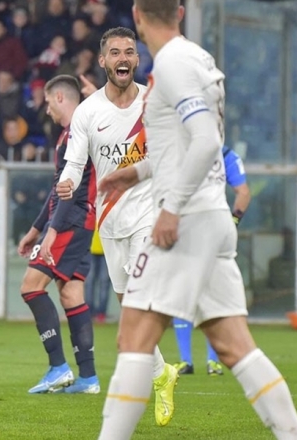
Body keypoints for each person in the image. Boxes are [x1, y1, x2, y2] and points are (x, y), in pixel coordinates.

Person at [94, 2, 297, 438]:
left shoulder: (172, 63)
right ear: (179, 11)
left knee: (133, 338)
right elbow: (185, 143)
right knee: (234, 345)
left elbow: (207, 141)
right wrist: (136, 173)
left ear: (137, 15)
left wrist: (171, 208)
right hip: (212, 217)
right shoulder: (198, 58)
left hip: (187, 219)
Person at [54, 27, 179, 426]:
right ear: (103, 60)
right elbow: (75, 162)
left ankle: (137, 386)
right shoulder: (88, 112)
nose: (123, 57)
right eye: (115, 52)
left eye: (129, 51)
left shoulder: (153, 102)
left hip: (149, 214)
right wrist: (67, 182)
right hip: (109, 221)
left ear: (137, 60)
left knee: (140, 300)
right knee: (129, 309)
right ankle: (162, 373)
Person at [15, 75, 98, 395]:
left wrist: (50, 232)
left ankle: (58, 367)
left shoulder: (77, 132)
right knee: (71, 295)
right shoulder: (71, 132)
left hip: (71, 221)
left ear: (61, 97)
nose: (46, 109)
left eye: (49, 102)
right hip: (80, 221)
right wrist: (35, 229)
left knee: (30, 287)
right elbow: (57, 189)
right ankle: (88, 378)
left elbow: (68, 190)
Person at [173, 145, 252, 376]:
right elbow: (243, 193)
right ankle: (213, 362)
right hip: (216, 229)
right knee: (214, 295)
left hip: (187, 228)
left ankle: (186, 360)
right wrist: (233, 222)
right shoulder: (227, 155)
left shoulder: (181, 151)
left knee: (183, 294)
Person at [84, 224, 112, 323]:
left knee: (104, 282)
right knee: (89, 281)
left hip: (107, 250)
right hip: (90, 248)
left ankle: (101, 312)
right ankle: (89, 311)